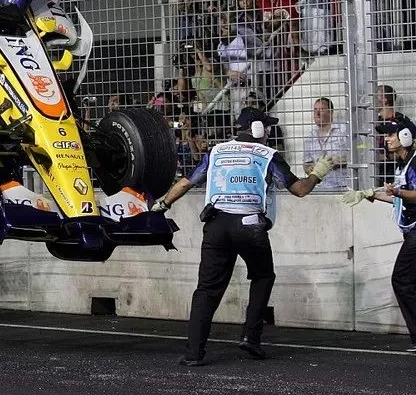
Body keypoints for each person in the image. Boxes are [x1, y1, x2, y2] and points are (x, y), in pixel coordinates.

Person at [151, 107, 333, 365]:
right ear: (258, 129)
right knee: (263, 276)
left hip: (215, 225)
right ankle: (251, 336)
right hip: (250, 226)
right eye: (267, 127)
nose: (269, 131)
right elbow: (301, 190)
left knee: (207, 290)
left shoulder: (216, 152)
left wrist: (163, 203)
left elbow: (186, 182)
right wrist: (317, 174)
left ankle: (193, 354)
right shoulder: (269, 155)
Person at [342, 117, 416, 353]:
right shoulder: (402, 164)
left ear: (405, 137)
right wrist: (369, 195)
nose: (386, 139)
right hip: (411, 231)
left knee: (402, 280)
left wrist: (399, 192)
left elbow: (407, 194)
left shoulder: (415, 164)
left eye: (390, 135)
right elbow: (398, 197)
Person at [303, 97, 351, 190]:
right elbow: (306, 163)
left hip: (343, 186)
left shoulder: (344, 131)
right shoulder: (310, 137)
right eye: (315, 110)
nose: (317, 113)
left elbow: (361, 153)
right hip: (320, 188)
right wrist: (309, 169)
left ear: (331, 112)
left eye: (322, 110)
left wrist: (336, 161)